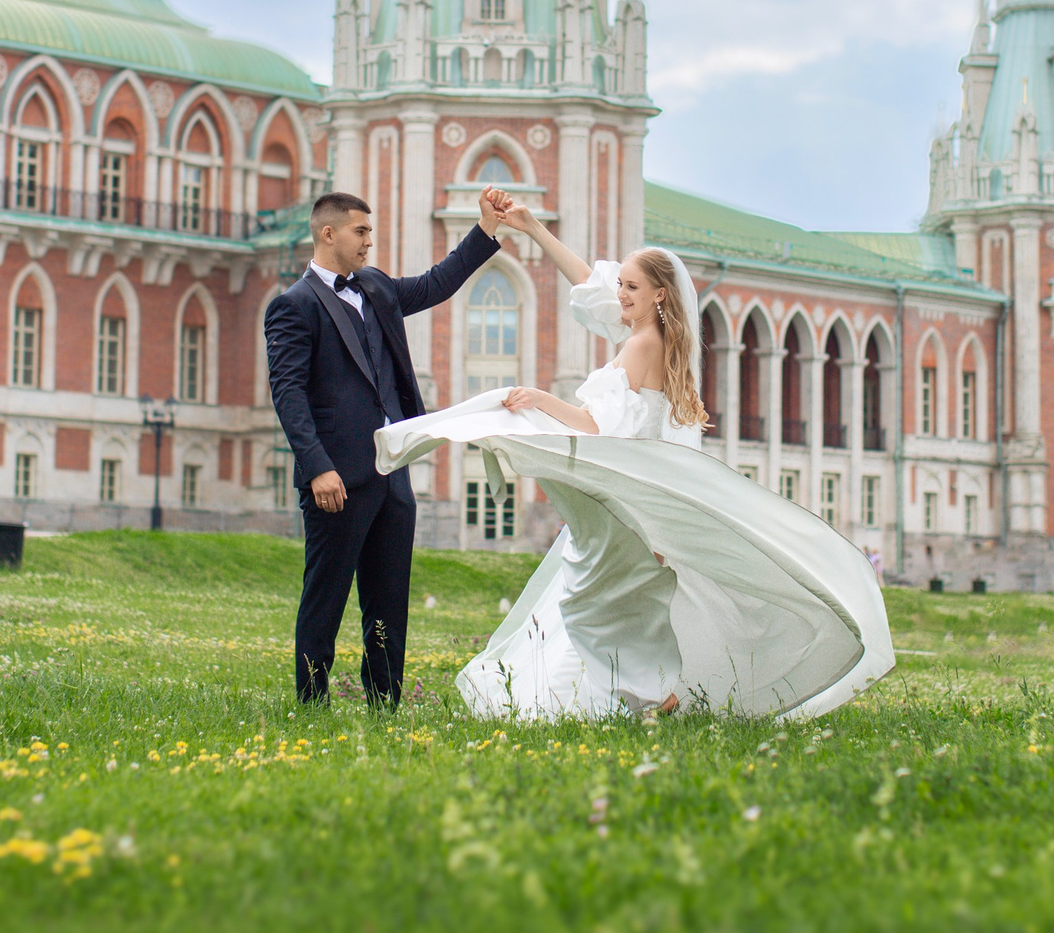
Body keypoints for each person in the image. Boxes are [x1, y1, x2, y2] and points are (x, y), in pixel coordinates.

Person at [377, 189, 894, 722]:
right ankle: (645, 697)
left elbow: (598, 426)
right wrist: (532, 229)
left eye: (630, 287)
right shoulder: (651, 336)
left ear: (660, 296)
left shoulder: (643, 346)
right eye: (619, 284)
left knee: (588, 603)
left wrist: (539, 398)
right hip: (628, 502)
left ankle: (652, 697)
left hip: (625, 504)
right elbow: (590, 287)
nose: (619, 294)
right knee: (603, 605)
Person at [265, 188, 508, 704]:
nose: (369, 242)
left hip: (392, 473)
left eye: (370, 232)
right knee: (325, 599)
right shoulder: (293, 306)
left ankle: (385, 704)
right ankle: (312, 701)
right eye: (361, 232)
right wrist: (317, 468)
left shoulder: (374, 286)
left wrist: (485, 230)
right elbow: (288, 394)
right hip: (336, 479)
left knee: (388, 601)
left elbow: (435, 284)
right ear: (328, 234)